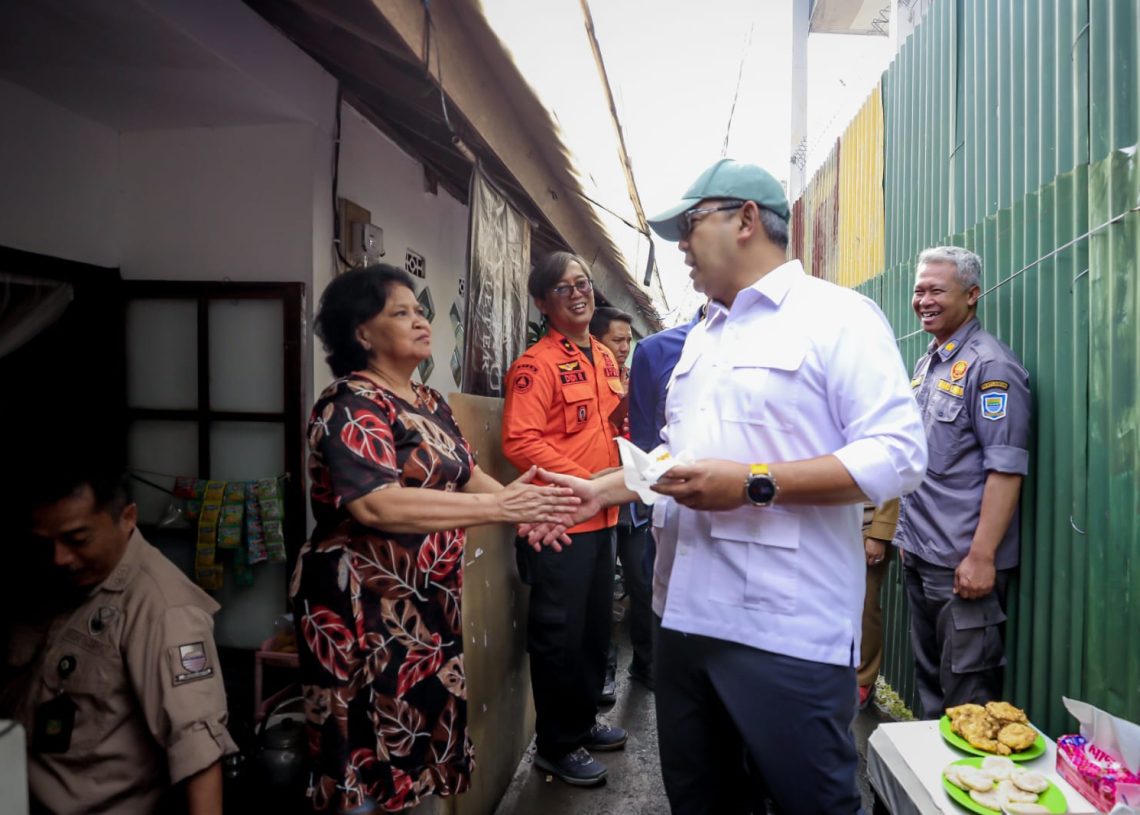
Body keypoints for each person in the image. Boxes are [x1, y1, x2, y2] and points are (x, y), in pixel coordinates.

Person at [525, 159, 928, 814]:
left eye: (689, 225)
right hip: (681, 618)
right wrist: (603, 489)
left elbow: (899, 455)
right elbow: (683, 456)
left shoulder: (837, 318)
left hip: (782, 628)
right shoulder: (701, 338)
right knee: (700, 798)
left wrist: (754, 484)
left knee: (810, 802)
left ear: (745, 219)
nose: (681, 245)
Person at [291, 264, 580, 812]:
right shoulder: (350, 402)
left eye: (420, 310)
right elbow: (375, 501)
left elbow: (469, 474)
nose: (421, 320)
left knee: (420, 734)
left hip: (426, 604)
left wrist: (527, 513)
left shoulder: (429, 403)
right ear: (362, 334)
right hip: (360, 605)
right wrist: (499, 506)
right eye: (401, 313)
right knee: (361, 745)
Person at [0, 454, 237, 814]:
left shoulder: (162, 608)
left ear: (127, 518)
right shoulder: (51, 577)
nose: (60, 557)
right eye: (47, 542)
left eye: (77, 539)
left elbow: (197, 750)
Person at [502, 252, 628, 787]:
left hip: (604, 521)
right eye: (562, 288)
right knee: (559, 634)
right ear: (541, 302)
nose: (577, 294)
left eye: (582, 284)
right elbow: (519, 440)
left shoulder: (604, 356)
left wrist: (610, 490)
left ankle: (579, 723)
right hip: (558, 523)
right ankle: (556, 745)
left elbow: (616, 426)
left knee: (595, 631)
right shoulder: (536, 365)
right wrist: (588, 483)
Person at [894, 246, 1030, 719]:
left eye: (936, 290)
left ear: (972, 295)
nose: (924, 300)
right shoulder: (928, 363)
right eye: (919, 290)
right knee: (931, 686)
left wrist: (981, 557)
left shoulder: (991, 367)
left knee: (968, 701)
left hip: (961, 567)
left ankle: (966, 788)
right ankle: (932, 786)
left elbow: (1005, 470)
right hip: (923, 556)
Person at [589, 306, 654, 695]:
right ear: (597, 340)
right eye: (617, 340)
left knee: (642, 583)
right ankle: (603, 674)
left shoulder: (635, 382)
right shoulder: (591, 384)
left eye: (628, 341)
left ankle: (646, 666)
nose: (625, 348)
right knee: (600, 593)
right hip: (596, 498)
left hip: (634, 502)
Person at [858, 499, 899, 708]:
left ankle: (863, 679)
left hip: (865, 524)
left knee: (865, 604)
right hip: (826, 524)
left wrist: (879, 534)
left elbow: (893, 478)